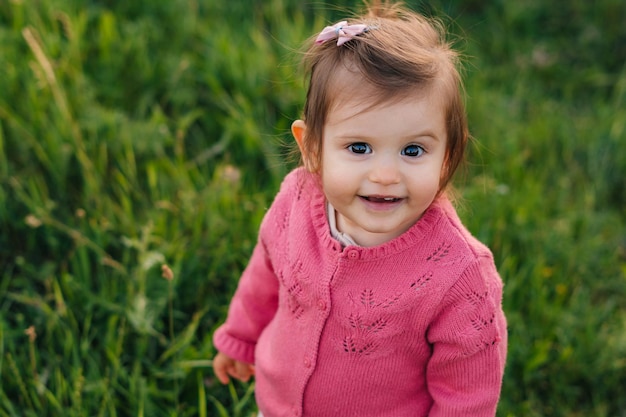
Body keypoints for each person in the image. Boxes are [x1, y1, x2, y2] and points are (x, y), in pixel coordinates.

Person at [212, 1, 507, 416]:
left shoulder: (460, 277)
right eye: (359, 148)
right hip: (277, 403)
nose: (385, 174)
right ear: (312, 148)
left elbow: (467, 396)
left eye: (413, 149)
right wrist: (241, 337)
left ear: (447, 156)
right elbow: (264, 273)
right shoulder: (296, 199)